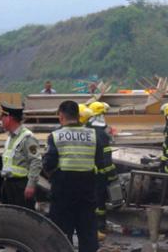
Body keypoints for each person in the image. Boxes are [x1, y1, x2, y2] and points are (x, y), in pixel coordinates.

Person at [43, 100, 105, 252]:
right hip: (87, 193)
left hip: (63, 194)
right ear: (78, 116)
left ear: (61, 115)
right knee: (88, 235)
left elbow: (49, 163)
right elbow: (101, 163)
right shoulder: (93, 135)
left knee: (61, 235)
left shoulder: (56, 136)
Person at [0, 102, 41, 210]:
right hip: (8, 185)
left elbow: (36, 162)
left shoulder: (27, 137)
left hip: (21, 186)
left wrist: (31, 185)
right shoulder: (10, 137)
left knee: (23, 219)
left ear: (9, 118)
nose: (0, 120)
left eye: (3, 117)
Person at [85, 102, 117, 238]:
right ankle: (100, 227)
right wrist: (112, 175)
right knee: (100, 202)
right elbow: (106, 158)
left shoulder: (87, 131)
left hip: (87, 173)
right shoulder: (102, 135)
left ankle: (91, 226)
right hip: (100, 175)